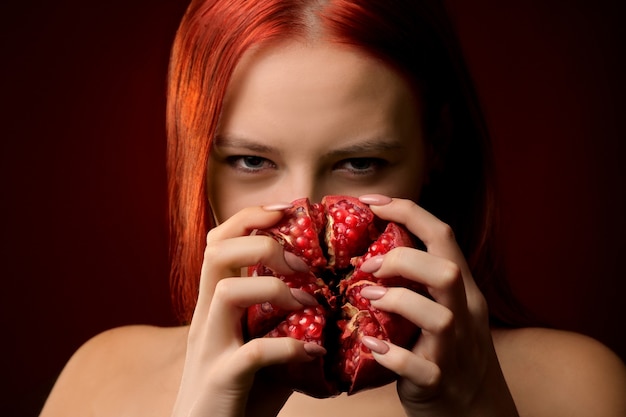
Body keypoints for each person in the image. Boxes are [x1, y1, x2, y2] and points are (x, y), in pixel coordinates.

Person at [40, 0, 626, 416]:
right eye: (251, 161)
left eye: (361, 164)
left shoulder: (584, 388)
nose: (304, 213)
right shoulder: (99, 380)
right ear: (197, 158)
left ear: (436, 148)